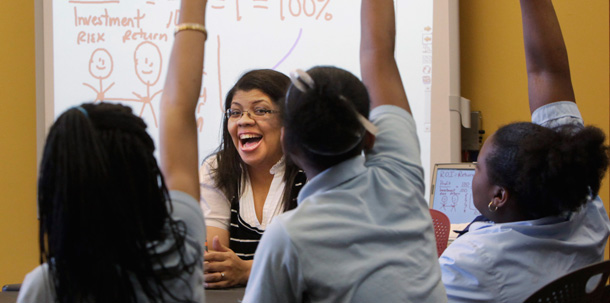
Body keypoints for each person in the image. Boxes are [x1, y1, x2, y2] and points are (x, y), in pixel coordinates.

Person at [241, 0, 447, 302]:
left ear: (286, 142)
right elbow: (378, 52)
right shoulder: (399, 174)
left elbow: (378, 52)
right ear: (369, 138)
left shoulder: (290, 235)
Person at [17, 0, 209, 302]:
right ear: (145, 175)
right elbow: (178, 108)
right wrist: (193, 8)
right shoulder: (179, 249)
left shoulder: (49, 286)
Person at [439, 1, 610, 302]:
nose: (473, 172)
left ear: (499, 196)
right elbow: (548, 72)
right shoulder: (581, 202)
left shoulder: (470, 263)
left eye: (477, 166)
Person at [200, 69, 306, 288]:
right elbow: (214, 255)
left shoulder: (311, 169)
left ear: (288, 119)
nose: (244, 121)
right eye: (235, 113)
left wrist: (249, 270)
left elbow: (322, 258)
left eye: (260, 111)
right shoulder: (216, 168)